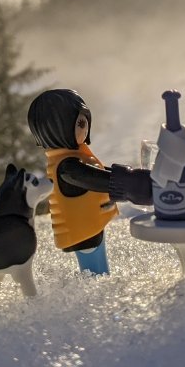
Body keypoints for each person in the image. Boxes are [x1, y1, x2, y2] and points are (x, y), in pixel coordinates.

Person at [27, 88, 153, 274]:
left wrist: (129, 178)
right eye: (80, 123)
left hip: (88, 227)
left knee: (97, 262)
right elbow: (94, 179)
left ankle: (99, 284)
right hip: (82, 232)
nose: (85, 128)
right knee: (94, 269)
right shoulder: (68, 167)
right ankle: (95, 287)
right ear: (57, 129)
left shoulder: (72, 158)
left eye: (85, 122)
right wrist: (129, 184)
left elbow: (99, 173)